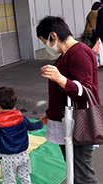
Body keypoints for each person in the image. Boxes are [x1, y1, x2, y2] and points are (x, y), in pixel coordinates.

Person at [36, 16, 100, 183]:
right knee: (75, 168)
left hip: (79, 122)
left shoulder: (79, 53)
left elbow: (86, 91)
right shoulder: (69, 53)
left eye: (45, 41)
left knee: (82, 171)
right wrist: (50, 112)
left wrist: (60, 78)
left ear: (53, 35)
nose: (46, 46)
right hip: (68, 121)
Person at [0, 87, 44, 184]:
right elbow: (31, 126)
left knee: (9, 179)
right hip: (23, 154)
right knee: (25, 176)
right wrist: (41, 123)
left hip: (6, 157)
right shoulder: (20, 115)